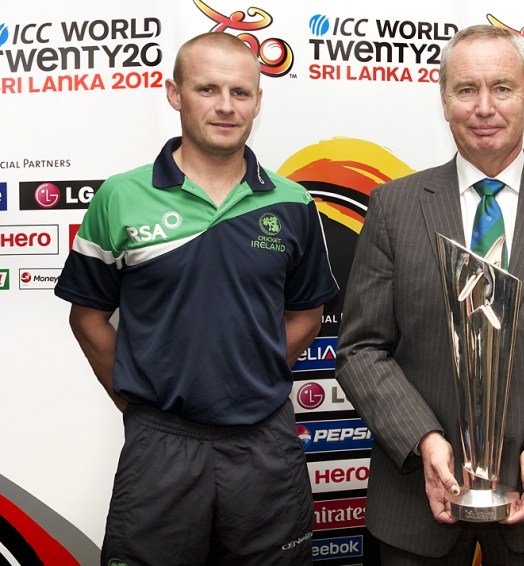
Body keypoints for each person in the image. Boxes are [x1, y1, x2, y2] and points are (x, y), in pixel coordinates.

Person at [336, 24, 524, 565]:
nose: (484, 107)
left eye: (502, 87)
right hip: (417, 500)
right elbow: (361, 349)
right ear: (444, 100)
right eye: (466, 90)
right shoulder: (394, 206)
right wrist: (423, 439)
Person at [55, 32, 338, 565]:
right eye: (207, 89)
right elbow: (87, 316)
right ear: (175, 94)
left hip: (264, 444)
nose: (226, 106)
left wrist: (249, 371)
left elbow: (307, 313)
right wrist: (137, 400)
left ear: (257, 101)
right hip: (160, 446)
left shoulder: (293, 202)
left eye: (240, 92)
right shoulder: (121, 196)